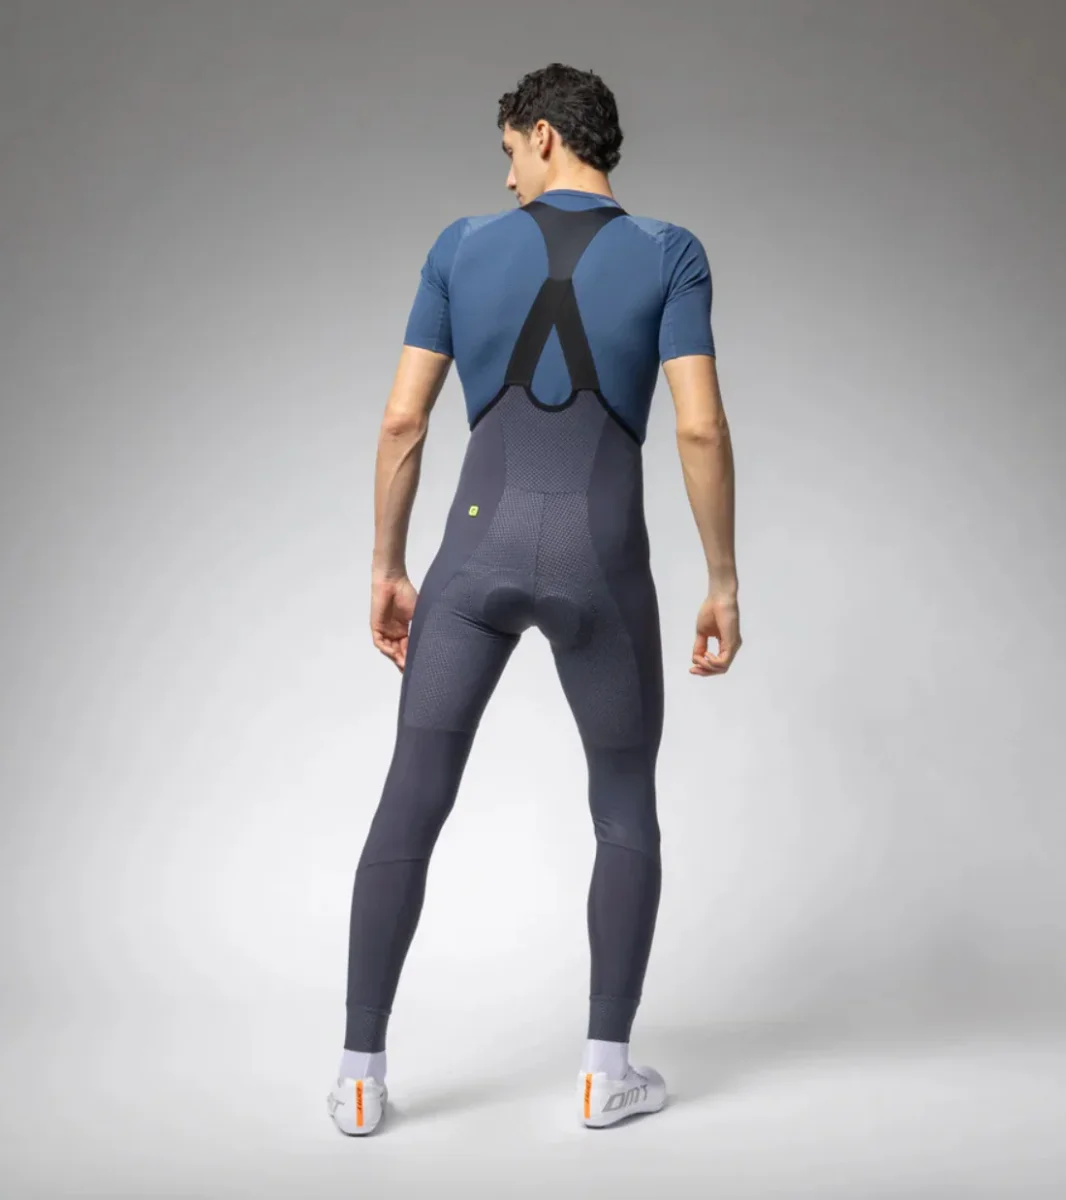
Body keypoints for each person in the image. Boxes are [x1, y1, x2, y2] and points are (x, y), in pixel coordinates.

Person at [327, 62, 741, 1136]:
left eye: (510, 152)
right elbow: (699, 427)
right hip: (603, 560)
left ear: (546, 135)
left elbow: (402, 421)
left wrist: (387, 565)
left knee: (412, 797)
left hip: (473, 557)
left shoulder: (460, 247)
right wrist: (722, 580)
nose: (507, 178)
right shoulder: (671, 254)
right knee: (624, 807)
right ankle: (606, 1073)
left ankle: (359, 1077)